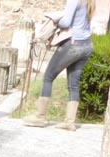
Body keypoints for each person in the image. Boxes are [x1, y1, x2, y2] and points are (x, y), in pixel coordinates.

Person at [24, 0, 95, 130]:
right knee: (73, 84)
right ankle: (69, 122)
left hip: (73, 44)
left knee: (48, 77)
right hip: (87, 45)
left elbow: (66, 22)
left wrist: (56, 19)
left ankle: (40, 117)